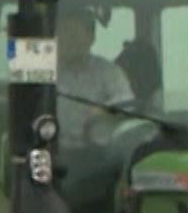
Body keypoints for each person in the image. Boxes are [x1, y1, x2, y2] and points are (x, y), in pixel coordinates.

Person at [56, 8, 133, 144]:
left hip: (99, 153)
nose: (67, 41)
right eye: (63, 34)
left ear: (91, 38)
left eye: (73, 35)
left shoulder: (109, 72)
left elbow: (128, 104)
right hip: (55, 152)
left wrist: (104, 110)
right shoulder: (43, 73)